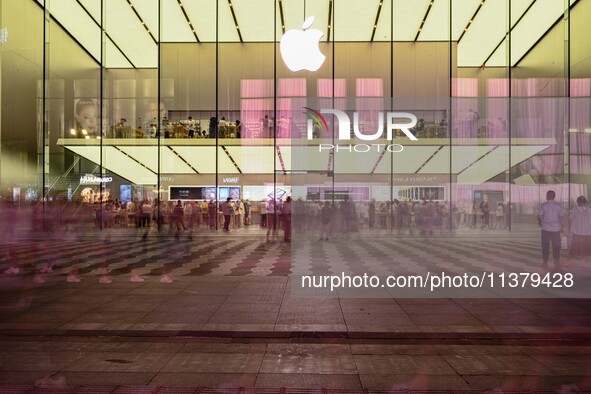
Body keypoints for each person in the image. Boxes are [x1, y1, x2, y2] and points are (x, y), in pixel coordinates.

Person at [538, 190, 564, 271]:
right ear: (554, 196)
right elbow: (561, 218)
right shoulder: (558, 206)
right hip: (556, 229)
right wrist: (562, 228)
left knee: (545, 245)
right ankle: (557, 262)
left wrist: (542, 222)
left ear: (547, 196)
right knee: (556, 246)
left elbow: (539, 216)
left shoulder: (543, 206)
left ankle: (545, 262)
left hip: (546, 228)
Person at [566, 195, 591, 266]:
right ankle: (583, 261)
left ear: (578, 202)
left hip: (577, 232)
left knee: (574, 248)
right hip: (588, 233)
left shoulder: (575, 209)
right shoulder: (590, 210)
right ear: (585, 203)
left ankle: (567, 261)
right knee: (586, 247)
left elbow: (570, 218)